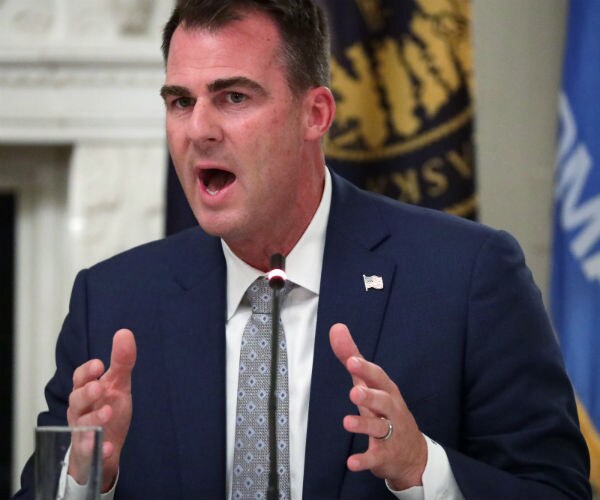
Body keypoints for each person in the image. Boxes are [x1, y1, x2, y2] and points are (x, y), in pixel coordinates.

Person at [14, 0, 591, 499]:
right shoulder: (113, 300)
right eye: (180, 102)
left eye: (233, 97)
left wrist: (423, 470)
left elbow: (556, 489)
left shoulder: (465, 276)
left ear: (315, 114)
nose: (199, 130)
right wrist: (86, 479)